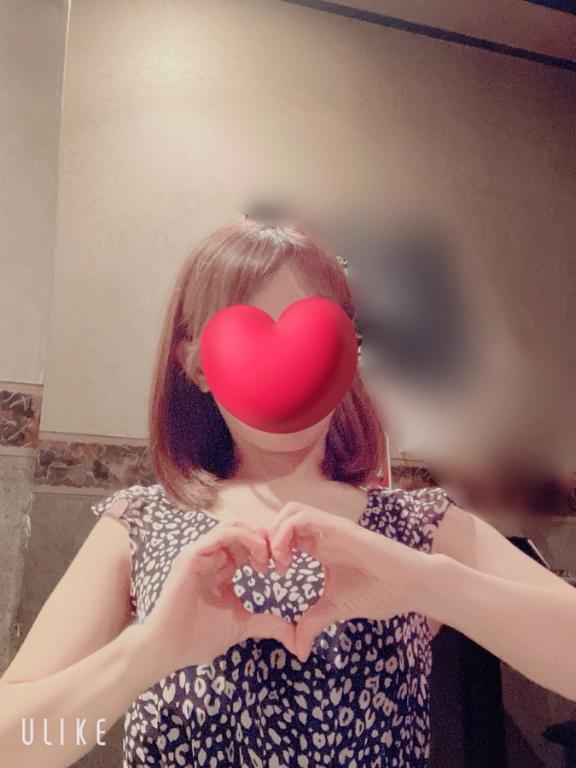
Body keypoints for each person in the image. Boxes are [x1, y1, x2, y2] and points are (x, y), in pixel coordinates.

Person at [0, 219, 575, 768]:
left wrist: (430, 586)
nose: (285, 360)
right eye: (246, 330)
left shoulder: (420, 527)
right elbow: (15, 747)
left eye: (317, 332)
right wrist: (146, 653)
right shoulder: (139, 525)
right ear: (195, 365)